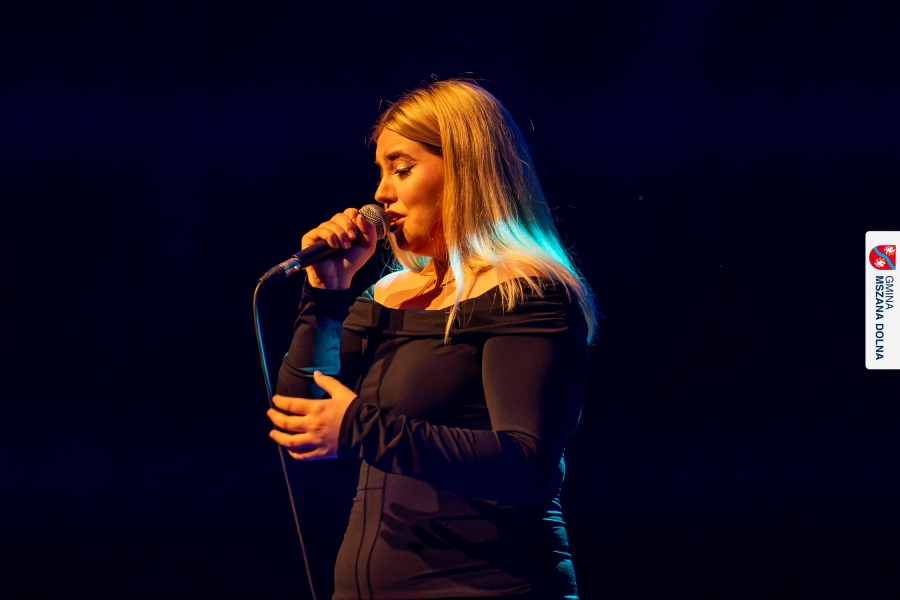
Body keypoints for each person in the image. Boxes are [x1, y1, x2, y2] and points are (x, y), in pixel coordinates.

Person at [267, 78, 597, 600]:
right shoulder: (385, 296)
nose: (381, 193)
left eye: (401, 169)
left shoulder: (527, 291)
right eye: (381, 172)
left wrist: (362, 428)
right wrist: (326, 295)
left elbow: (526, 465)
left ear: (466, 169)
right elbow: (297, 412)